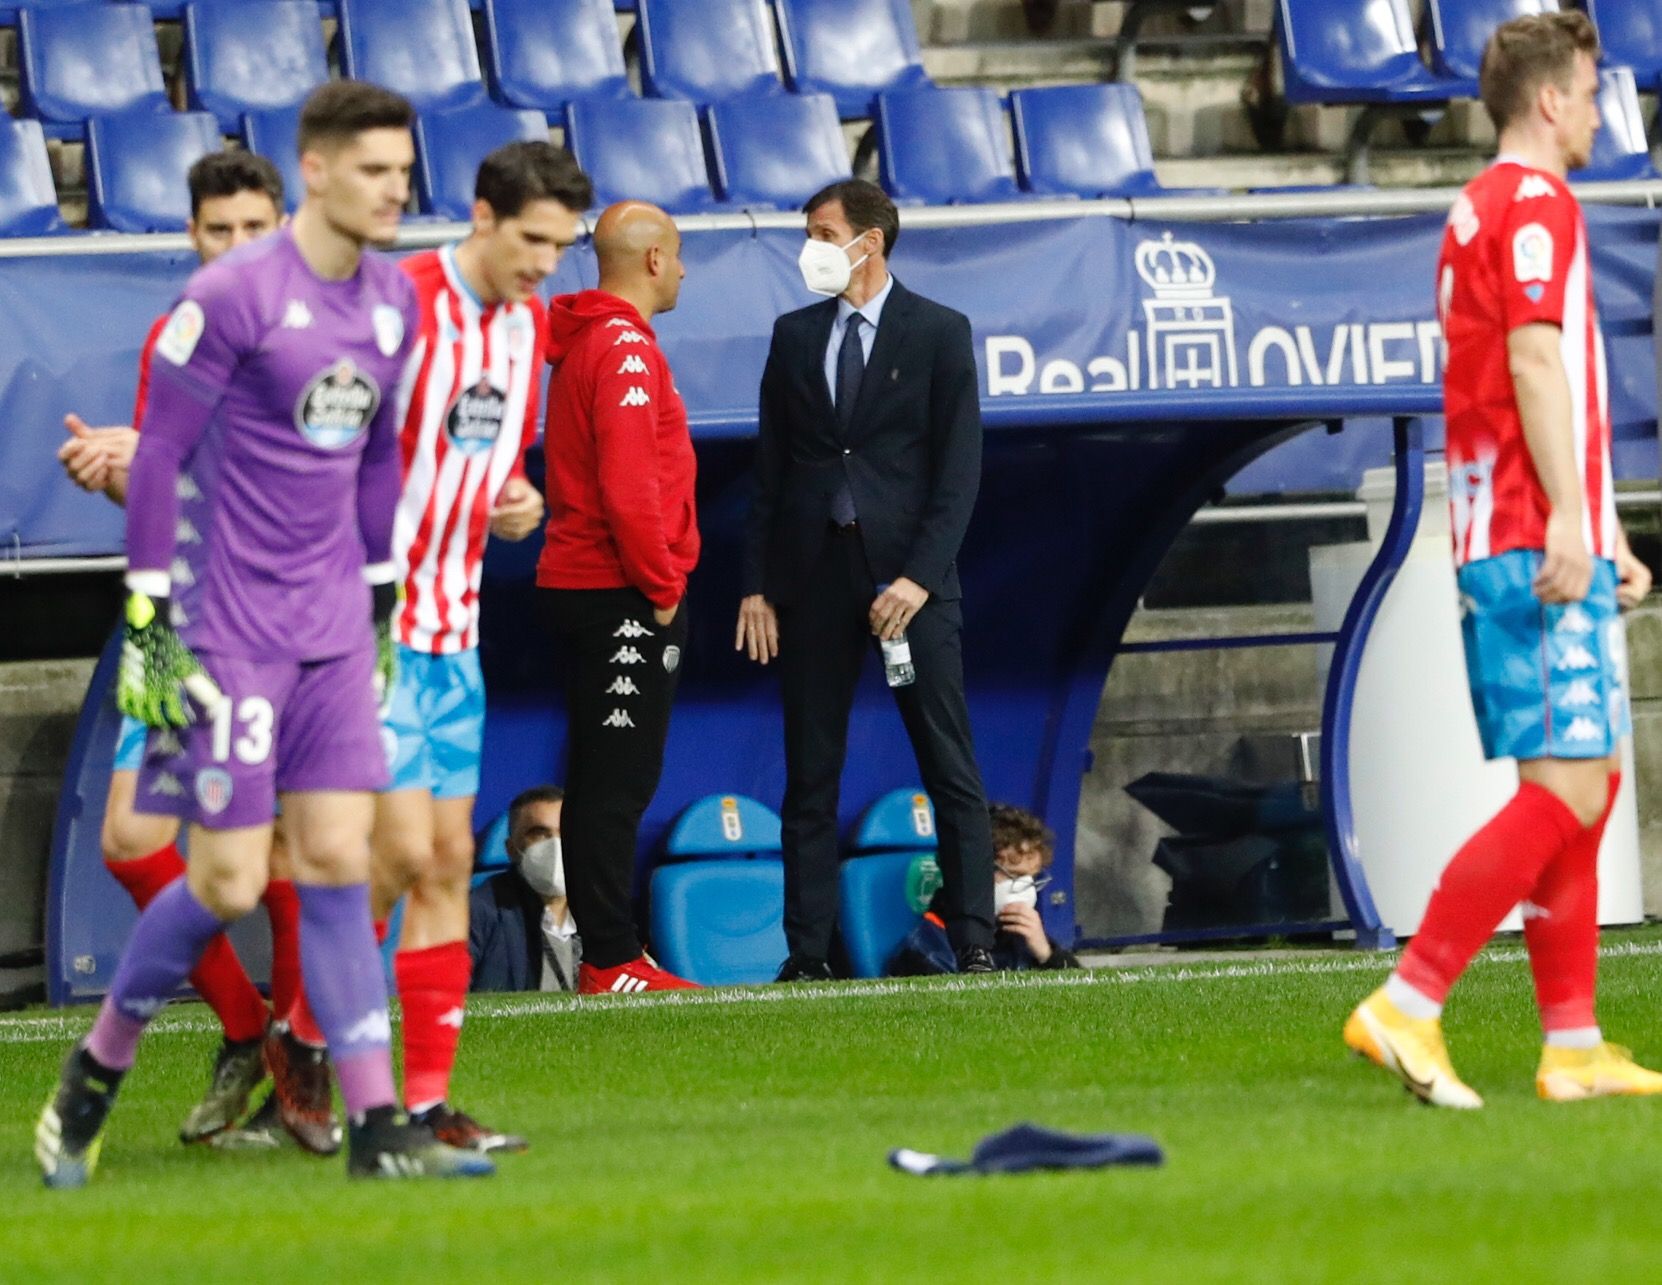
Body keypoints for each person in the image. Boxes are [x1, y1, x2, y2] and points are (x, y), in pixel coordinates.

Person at [34, 81, 492, 1188]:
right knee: (231, 880)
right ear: (322, 171)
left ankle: (379, 1127)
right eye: (376, 171)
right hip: (226, 628)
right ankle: (97, 1069)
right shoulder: (231, 299)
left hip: (336, 629)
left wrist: (380, 598)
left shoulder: (392, 302)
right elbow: (155, 461)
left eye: (404, 170)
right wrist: (149, 619)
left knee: (338, 860)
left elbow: (378, 458)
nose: (397, 190)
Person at [1345, 11, 1662, 1108]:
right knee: (1571, 783)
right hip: (1531, 533)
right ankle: (1408, 1001)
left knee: (1584, 775)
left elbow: (1538, 376)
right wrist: (1573, 520)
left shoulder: (1480, 206)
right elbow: (1534, 360)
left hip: (1531, 523)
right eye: (1586, 90)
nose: (1595, 110)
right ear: (1546, 100)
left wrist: (1603, 521)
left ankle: (1572, 1044)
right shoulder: (1533, 205)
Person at [54, 152, 313, 1148]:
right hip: (170, 613)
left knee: (286, 845)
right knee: (131, 837)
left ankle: (296, 1063)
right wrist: (112, 470)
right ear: (195, 236)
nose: (239, 249)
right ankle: (251, 1031)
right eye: (220, 232)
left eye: (257, 229)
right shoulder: (177, 335)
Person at [369, 140, 589, 1150]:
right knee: (397, 853)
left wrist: (518, 501)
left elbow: (490, 463)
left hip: (455, 628)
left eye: (563, 244)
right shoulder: (398, 304)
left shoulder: (528, 325)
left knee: (448, 855)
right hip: (366, 623)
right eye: (535, 240)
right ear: (482, 214)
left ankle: (422, 1104)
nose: (548, 262)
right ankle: (293, 1034)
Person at [736, 178, 997, 982]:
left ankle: (976, 940)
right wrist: (757, 585)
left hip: (909, 584)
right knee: (810, 770)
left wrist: (918, 578)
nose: (808, 245)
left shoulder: (939, 333)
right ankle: (806, 952)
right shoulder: (791, 335)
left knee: (948, 763)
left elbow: (959, 473)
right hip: (814, 575)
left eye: (821, 230)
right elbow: (770, 474)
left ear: (870, 240)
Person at [538, 201, 701, 996]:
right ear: (652, 260)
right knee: (616, 781)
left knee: (607, 776)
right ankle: (610, 959)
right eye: (677, 257)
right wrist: (663, 585)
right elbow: (631, 488)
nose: (683, 272)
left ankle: (610, 955)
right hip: (622, 589)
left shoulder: (587, 342)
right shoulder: (627, 349)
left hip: (592, 585)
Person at [888, 804, 1080, 975]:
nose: (1026, 889)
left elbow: (1085, 999)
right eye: (1014, 876)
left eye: (1032, 878)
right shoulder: (927, 951)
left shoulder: (1021, 936)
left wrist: (1047, 955)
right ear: (972, 875)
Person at [468, 786, 580, 992]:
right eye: (539, 834)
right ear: (511, 849)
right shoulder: (477, 911)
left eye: (566, 832)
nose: (556, 845)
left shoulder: (603, 913)